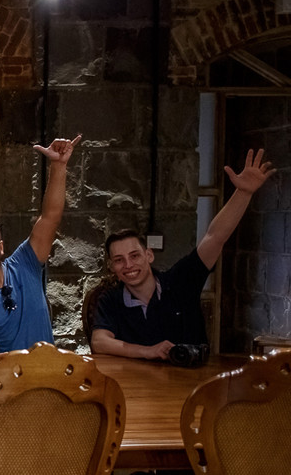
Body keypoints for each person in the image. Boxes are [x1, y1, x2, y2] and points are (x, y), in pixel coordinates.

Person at [91, 148, 277, 360]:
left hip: (193, 382)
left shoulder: (180, 280)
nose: (128, 265)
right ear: (112, 267)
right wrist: (148, 351)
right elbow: (99, 342)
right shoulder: (111, 299)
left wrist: (243, 193)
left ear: (149, 255)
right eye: (119, 260)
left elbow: (214, 237)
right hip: (137, 387)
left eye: (134, 256)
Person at [0, 134, 82, 361]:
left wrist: (59, 165)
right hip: (5, 382)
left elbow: (50, 217)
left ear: (1, 247)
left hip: (49, 375)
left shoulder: (25, 263)